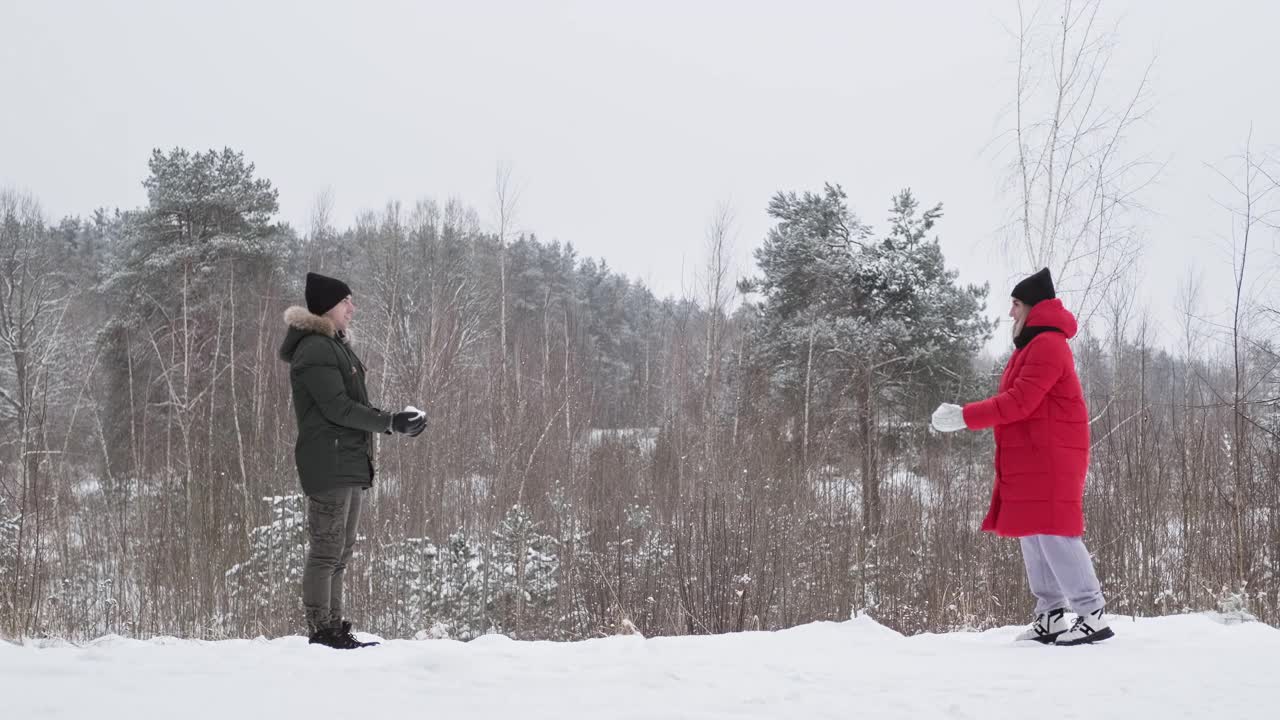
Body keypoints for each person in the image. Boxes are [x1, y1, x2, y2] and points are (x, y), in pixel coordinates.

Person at [930, 268, 1112, 646]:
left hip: (1051, 457)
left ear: (1033, 307)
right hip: (1034, 456)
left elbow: (1020, 402)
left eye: (1016, 304)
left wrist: (965, 416)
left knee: (1056, 533)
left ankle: (1091, 613)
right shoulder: (1032, 346)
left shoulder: (1048, 345)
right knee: (1034, 532)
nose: (1011, 312)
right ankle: (1051, 615)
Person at [278, 271, 427, 649]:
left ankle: (334, 627)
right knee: (327, 550)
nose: (352, 308)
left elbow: (353, 406)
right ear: (329, 305)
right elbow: (338, 408)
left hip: (347, 462)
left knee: (340, 552)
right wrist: (389, 422)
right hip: (328, 464)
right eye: (346, 301)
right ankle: (320, 630)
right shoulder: (315, 349)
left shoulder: (336, 346)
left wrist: (394, 420)